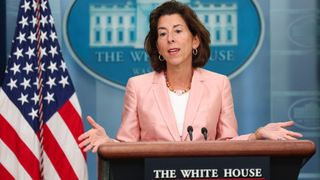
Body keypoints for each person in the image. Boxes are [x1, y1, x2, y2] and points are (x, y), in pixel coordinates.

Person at [78, 0, 303, 153]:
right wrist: (108, 143)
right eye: (162, 34)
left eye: (178, 31)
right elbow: (127, 146)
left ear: (194, 40)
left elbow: (227, 144)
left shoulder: (218, 84)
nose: (170, 39)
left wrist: (256, 136)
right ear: (157, 45)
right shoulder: (137, 86)